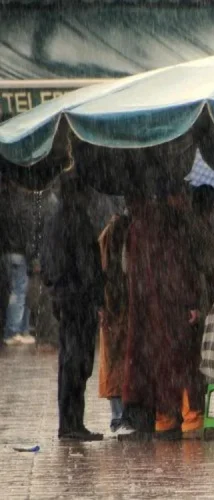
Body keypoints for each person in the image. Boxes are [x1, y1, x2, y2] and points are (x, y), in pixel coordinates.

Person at [119, 182, 214, 440]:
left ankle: (164, 419)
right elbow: (207, 258)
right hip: (177, 309)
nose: (186, 199)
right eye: (183, 194)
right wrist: (192, 303)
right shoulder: (180, 224)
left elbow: (126, 268)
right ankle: (190, 419)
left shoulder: (138, 226)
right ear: (174, 196)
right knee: (184, 364)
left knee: (157, 363)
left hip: (147, 310)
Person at [41, 173, 105, 441]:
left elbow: (47, 261)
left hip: (64, 298)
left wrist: (55, 288)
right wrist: (97, 296)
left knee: (69, 360)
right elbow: (86, 265)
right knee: (77, 361)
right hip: (79, 300)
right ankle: (72, 424)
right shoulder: (77, 221)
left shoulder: (55, 220)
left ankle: (69, 423)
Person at [97, 204, 134, 434]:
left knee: (117, 361)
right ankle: (119, 416)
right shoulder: (117, 232)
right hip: (115, 306)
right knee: (116, 361)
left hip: (116, 305)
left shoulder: (111, 232)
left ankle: (120, 415)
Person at [0, 179, 35, 346]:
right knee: (19, 291)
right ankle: (13, 330)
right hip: (19, 253)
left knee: (14, 291)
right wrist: (31, 255)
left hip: (7, 251)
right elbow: (26, 234)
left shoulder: (5, 202)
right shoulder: (22, 206)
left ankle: (18, 328)